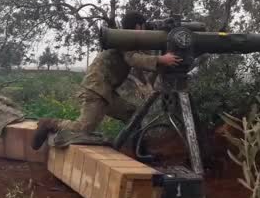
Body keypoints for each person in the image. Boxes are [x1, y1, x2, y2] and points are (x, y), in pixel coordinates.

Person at [32, 11, 181, 149]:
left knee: (132, 114)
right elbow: (134, 59)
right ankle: (49, 123)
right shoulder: (124, 39)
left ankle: (138, 150)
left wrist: (151, 78)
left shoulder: (128, 40)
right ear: (138, 26)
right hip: (97, 87)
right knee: (84, 128)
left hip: (106, 89)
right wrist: (162, 59)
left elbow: (140, 62)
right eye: (144, 25)